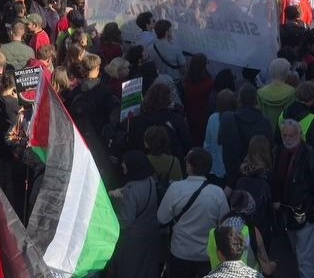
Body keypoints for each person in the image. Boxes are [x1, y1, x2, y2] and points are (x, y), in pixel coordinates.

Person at [157, 148, 229, 278]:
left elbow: (162, 218)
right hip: (206, 255)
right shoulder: (217, 193)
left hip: (180, 252)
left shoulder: (175, 188)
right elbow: (225, 226)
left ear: (189, 166)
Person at [272, 119, 314, 278]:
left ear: (300, 135)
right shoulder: (281, 152)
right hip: (290, 214)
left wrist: (312, 217)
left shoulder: (310, 156)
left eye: (290, 135)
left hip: (306, 216)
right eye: (284, 135)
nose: (287, 139)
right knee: (299, 252)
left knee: (305, 259)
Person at [108, 150, 161, 278]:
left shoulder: (130, 191)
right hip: (147, 235)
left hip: (131, 242)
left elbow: (125, 221)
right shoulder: (150, 182)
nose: (122, 165)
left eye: (125, 163)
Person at [216, 85, 271, 187]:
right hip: (258, 177)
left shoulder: (228, 119)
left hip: (236, 176)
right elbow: (268, 150)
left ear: (239, 99)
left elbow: (222, 145)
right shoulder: (265, 123)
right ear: (256, 101)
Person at [256, 59, 295, 135]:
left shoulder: (260, 92)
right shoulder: (292, 92)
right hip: (285, 133)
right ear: (286, 73)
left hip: (266, 132)